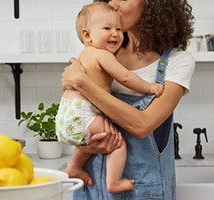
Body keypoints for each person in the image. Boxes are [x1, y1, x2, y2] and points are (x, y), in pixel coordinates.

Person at [61, 0, 195, 199]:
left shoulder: (178, 62)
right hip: (90, 187)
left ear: (153, 5)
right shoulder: (102, 54)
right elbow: (79, 112)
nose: (113, 4)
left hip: (141, 191)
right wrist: (87, 144)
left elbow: (142, 125)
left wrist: (83, 83)